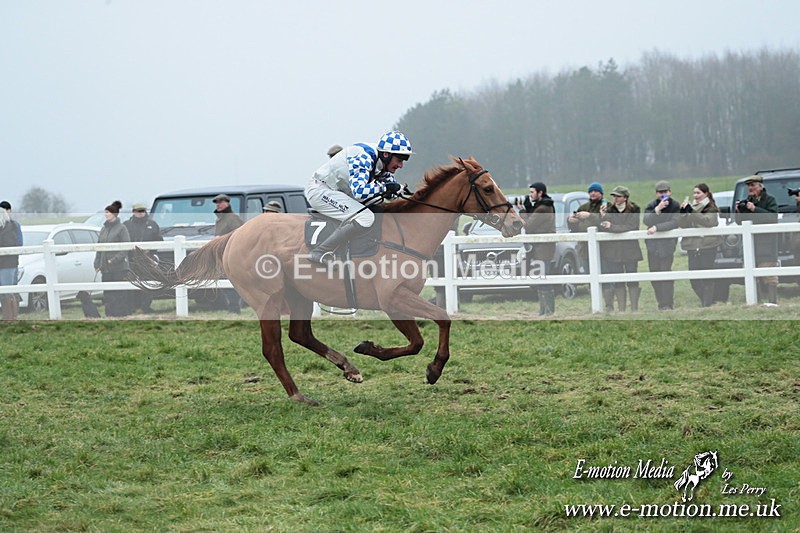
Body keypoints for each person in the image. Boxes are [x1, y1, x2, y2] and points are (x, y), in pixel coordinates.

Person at [304, 131, 412, 265]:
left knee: (378, 208)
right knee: (365, 217)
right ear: (386, 154)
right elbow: (360, 192)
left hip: (338, 192)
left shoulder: (383, 163)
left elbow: (391, 189)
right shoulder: (363, 156)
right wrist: (386, 188)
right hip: (320, 190)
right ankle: (320, 251)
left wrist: (403, 193)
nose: (401, 165)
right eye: (399, 160)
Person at [735, 175, 779, 305]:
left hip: (767, 244)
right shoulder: (747, 200)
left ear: (760, 186)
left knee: (769, 274)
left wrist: (755, 209)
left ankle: (772, 302)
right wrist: (739, 211)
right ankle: (757, 301)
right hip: (750, 244)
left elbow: (773, 218)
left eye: (753, 185)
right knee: (752, 273)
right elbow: (739, 222)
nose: (750, 188)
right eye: (748, 186)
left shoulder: (770, 199)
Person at [599, 186, 642, 312]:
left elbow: (632, 226)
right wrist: (603, 216)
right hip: (613, 250)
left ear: (625, 197)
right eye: (614, 196)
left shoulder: (635, 209)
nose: (615, 199)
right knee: (618, 280)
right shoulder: (609, 209)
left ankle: (634, 308)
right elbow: (603, 226)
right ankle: (622, 309)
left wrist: (612, 226)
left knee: (632, 277)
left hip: (630, 249)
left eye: (618, 196)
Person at [678, 184, 722, 307]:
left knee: (706, 276)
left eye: (698, 193)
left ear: (706, 194)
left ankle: (706, 304)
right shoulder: (692, 207)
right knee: (694, 279)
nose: (695, 196)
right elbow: (682, 224)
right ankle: (708, 301)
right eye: (694, 193)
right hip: (692, 246)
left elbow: (708, 222)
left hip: (708, 246)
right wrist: (683, 213)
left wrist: (691, 212)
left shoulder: (711, 207)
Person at [643, 180, 681, 310]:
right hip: (652, 246)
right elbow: (646, 220)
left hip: (667, 246)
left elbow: (675, 222)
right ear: (656, 193)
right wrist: (657, 210)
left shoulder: (675, 205)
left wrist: (657, 227)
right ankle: (660, 303)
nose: (662, 195)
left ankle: (667, 304)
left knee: (666, 274)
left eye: (665, 192)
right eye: (660, 192)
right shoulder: (651, 205)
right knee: (654, 276)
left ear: (670, 192)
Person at [519, 182, 556, 315]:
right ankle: (544, 310)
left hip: (543, 248)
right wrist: (528, 207)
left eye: (532, 192)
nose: (530, 195)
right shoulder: (542, 206)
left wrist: (522, 210)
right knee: (540, 279)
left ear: (540, 193)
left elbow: (528, 225)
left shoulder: (543, 208)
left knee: (543, 279)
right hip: (540, 248)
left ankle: (549, 311)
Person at [94, 201, 133, 317]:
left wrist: (114, 260)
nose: (106, 214)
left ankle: (120, 315)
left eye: (108, 212)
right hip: (105, 268)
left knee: (119, 293)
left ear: (114, 214)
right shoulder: (103, 229)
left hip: (119, 268)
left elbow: (126, 247)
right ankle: (109, 314)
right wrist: (97, 263)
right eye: (105, 212)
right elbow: (99, 247)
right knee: (108, 293)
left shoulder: (122, 228)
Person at [124, 202, 163, 313]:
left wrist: (154, 255)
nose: (140, 213)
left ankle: (145, 306)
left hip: (148, 259)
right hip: (131, 259)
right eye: (138, 211)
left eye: (142, 211)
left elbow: (159, 240)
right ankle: (133, 307)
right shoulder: (127, 225)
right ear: (133, 212)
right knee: (133, 283)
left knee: (148, 283)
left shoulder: (152, 224)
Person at [212, 194, 245, 313]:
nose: (218, 204)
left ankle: (234, 307)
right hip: (222, 255)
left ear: (227, 203)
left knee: (232, 281)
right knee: (224, 281)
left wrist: (221, 238)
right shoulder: (220, 220)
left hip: (232, 255)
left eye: (221, 202)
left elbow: (239, 235)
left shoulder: (232, 218)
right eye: (217, 202)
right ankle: (231, 306)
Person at [567, 182, 606, 276]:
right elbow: (575, 228)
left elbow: (604, 221)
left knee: (604, 274)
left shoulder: (605, 206)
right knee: (589, 274)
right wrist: (571, 221)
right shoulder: (583, 207)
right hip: (584, 248)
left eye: (596, 191)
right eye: (591, 191)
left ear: (601, 193)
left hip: (603, 249)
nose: (593, 193)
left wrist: (589, 215)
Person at [0, 200, 21, 320]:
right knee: (11, 290)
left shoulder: (9, 227)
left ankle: (9, 317)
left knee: (6, 292)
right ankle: (12, 316)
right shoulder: (14, 225)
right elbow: (19, 243)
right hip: (12, 262)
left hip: (6, 263)